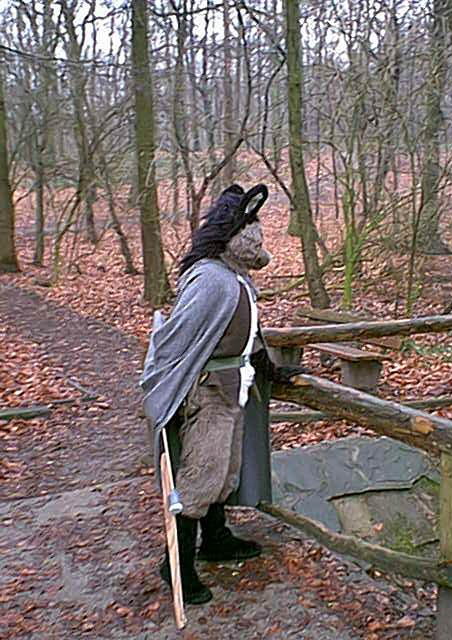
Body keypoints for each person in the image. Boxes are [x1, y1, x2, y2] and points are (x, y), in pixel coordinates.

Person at [140, 184, 304, 604]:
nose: (260, 242)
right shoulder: (212, 280)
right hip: (209, 393)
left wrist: (272, 372)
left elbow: (249, 335)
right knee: (201, 476)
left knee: (225, 470)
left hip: (232, 391)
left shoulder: (234, 276)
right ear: (235, 236)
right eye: (253, 233)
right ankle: (176, 565)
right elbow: (177, 338)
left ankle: (215, 539)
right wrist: (162, 387)